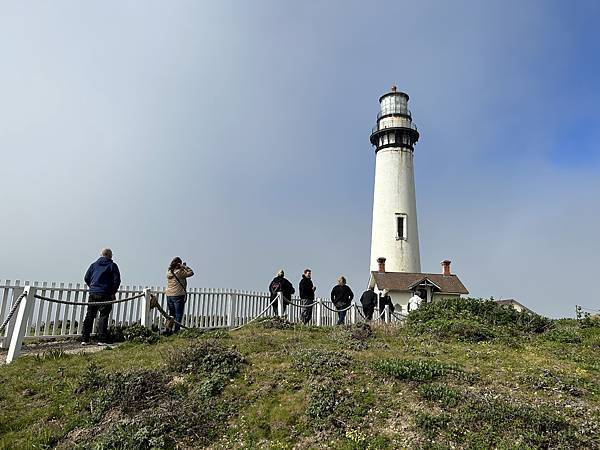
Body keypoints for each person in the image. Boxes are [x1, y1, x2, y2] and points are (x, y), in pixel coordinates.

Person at [82, 248, 121, 345]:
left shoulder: (93, 265)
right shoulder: (112, 266)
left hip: (93, 293)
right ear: (110, 255)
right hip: (105, 293)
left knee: (90, 315)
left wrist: (92, 287)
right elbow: (117, 281)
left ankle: (85, 339)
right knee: (103, 316)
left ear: (101, 254)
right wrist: (113, 292)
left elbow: (86, 277)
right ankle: (102, 339)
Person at [165, 257, 194, 334]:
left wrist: (180, 267)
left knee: (171, 314)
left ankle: (168, 329)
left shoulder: (168, 272)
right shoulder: (180, 273)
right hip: (178, 295)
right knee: (178, 314)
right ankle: (176, 331)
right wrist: (184, 267)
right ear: (178, 264)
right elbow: (191, 273)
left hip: (169, 295)